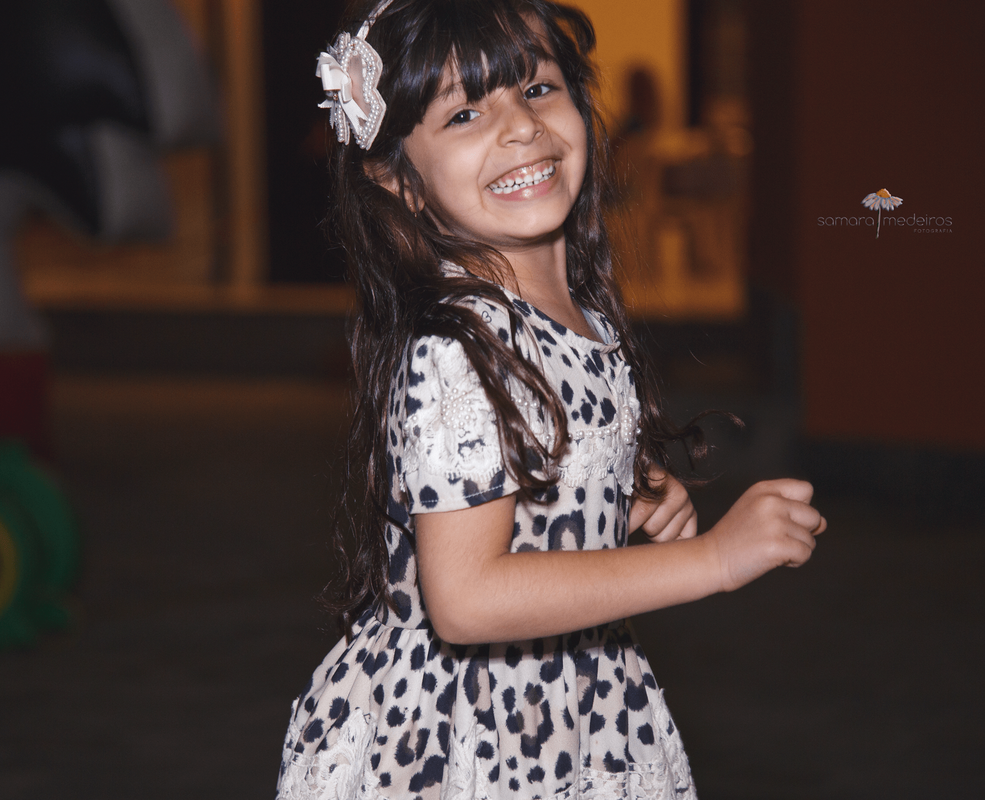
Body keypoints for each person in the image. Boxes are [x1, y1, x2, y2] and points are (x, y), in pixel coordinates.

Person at [278, 1, 826, 798]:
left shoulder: (577, 319)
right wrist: (709, 561)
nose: (519, 127)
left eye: (537, 89)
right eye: (464, 112)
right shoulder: (457, 352)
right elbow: (466, 599)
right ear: (401, 181)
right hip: (471, 740)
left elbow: (543, 451)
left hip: (576, 709)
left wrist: (620, 487)